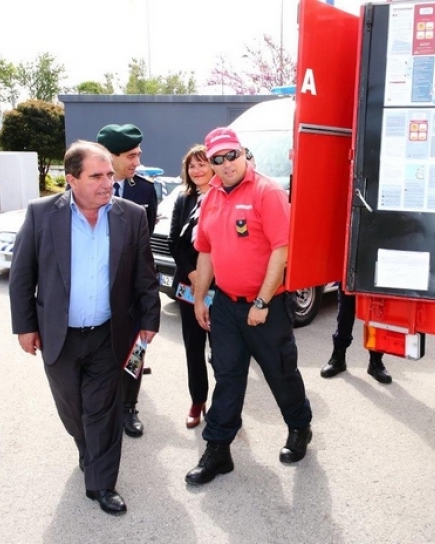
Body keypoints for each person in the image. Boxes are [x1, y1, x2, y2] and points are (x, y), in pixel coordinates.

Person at [9, 141, 160, 515]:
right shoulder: (42, 214)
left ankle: (102, 484)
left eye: (109, 174)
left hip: (110, 333)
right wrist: (25, 326)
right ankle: (87, 448)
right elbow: (22, 274)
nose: (107, 183)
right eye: (96, 176)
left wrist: (149, 320)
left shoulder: (131, 215)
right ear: (72, 179)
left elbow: (145, 275)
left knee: (103, 411)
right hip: (58, 334)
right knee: (73, 410)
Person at [185, 127, 313, 485]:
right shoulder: (211, 197)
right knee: (226, 377)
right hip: (226, 305)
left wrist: (262, 301)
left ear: (243, 153)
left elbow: (281, 250)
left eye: (232, 155)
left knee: (280, 372)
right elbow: (206, 251)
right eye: (218, 159)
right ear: (211, 163)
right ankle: (218, 450)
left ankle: (299, 427)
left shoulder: (266, 192)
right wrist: (200, 298)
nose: (227, 164)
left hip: (266, 305)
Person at [95, 124, 158, 439]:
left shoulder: (144, 190)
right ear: (111, 156)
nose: (137, 161)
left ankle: (129, 407)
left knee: (135, 352)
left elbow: (145, 247)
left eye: (138, 154)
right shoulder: (85, 188)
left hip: (132, 291)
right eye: (131, 156)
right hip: (97, 289)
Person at [168, 144, 214, 429]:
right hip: (189, 285)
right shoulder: (183, 200)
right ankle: (198, 400)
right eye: (191, 166)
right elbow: (174, 242)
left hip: (222, 287)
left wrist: (208, 279)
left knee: (223, 352)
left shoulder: (225, 196)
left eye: (202, 164)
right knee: (194, 348)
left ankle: (224, 404)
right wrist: (195, 275)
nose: (197, 170)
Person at [320, 287, 392, 384]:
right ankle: (338, 358)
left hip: (375, 278)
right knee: (345, 311)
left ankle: (375, 362)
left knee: (375, 312)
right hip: (350, 277)